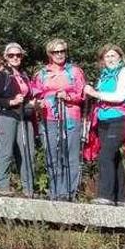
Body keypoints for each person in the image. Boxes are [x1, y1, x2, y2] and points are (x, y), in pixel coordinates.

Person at [31, 39, 86, 201]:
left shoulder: (74, 71)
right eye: (56, 52)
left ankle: (69, 192)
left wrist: (68, 96)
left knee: (70, 155)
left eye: (62, 51)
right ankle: (55, 191)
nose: (60, 54)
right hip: (49, 118)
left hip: (70, 117)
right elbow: (36, 93)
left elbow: (82, 94)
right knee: (52, 154)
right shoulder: (41, 74)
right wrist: (37, 104)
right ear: (50, 54)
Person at [84, 44, 125, 206]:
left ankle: (105, 195)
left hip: (119, 118)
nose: (110, 59)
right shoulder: (104, 75)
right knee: (114, 157)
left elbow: (119, 96)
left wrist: (94, 93)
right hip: (103, 119)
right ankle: (121, 198)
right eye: (107, 56)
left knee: (105, 155)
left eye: (113, 55)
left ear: (120, 57)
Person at [0, 43, 36, 197]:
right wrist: (12, 102)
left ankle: (28, 189)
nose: (15, 58)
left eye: (18, 55)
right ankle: (3, 185)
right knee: (7, 151)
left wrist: (33, 103)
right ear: (6, 57)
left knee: (27, 151)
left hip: (24, 117)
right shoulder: (1, 76)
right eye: (11, 55)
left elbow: (27, 97)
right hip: (6, 116)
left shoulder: (24, 75)